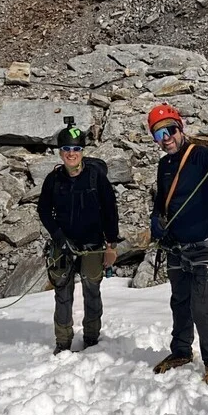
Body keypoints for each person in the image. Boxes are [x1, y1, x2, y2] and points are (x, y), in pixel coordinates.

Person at [147, 103, 208, 385]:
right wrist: (156, 221)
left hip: (205, 248)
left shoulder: (201, 156)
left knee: (201, 307)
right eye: (158, 134)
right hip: (176, 247)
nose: (166, 138)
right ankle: (181, 352)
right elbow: (162, 201)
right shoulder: (164, 165)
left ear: (180, 128)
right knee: (180, 303)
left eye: (170, 130)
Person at [38, 123, 120, 354]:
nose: (71, 153)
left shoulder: (96, 178)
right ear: (60, 152)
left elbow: (110, 211)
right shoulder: (53, 180)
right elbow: (44, 210)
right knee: (62, 293)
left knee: (91, 290)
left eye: (75, 148)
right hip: (63, 246)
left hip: (93, 246)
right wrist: (58, 236)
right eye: (66, 148)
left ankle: (91, 338)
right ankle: (62, 341)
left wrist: (111, 245)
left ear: (82, 151)